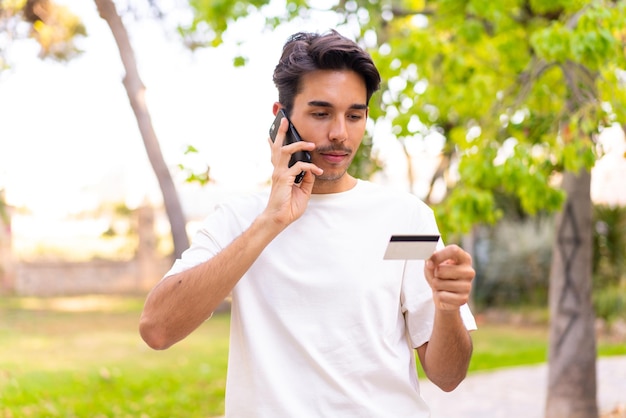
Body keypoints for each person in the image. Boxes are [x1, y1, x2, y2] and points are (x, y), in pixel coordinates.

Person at [139, 29, 477, 417]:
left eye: (355, 115)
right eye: (321, 113)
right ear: (281, 117)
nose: (340, 133)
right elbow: (157, 329)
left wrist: (447, 307)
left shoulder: (405, 221)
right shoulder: (239, 220)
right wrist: (271, 221)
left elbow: (448, 377)